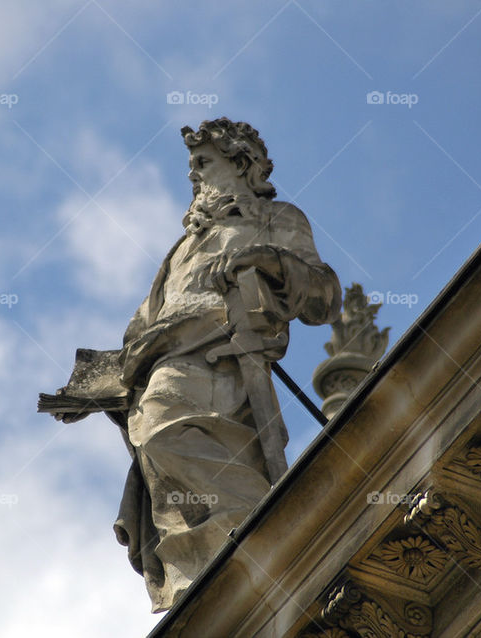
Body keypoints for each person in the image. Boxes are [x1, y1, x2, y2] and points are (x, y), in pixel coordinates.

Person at [111, 118, 341, 611]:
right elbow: (143, 323)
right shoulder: (181, 248)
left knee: (164, 435)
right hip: (160, 360)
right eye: (192, 165)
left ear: (241, 164)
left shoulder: (274, 218)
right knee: (162, 466)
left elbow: (324, 296)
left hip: (225, 355)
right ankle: (228, 562)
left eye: (203, 162)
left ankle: (265, 532)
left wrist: (270, 260)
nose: (193, 174)